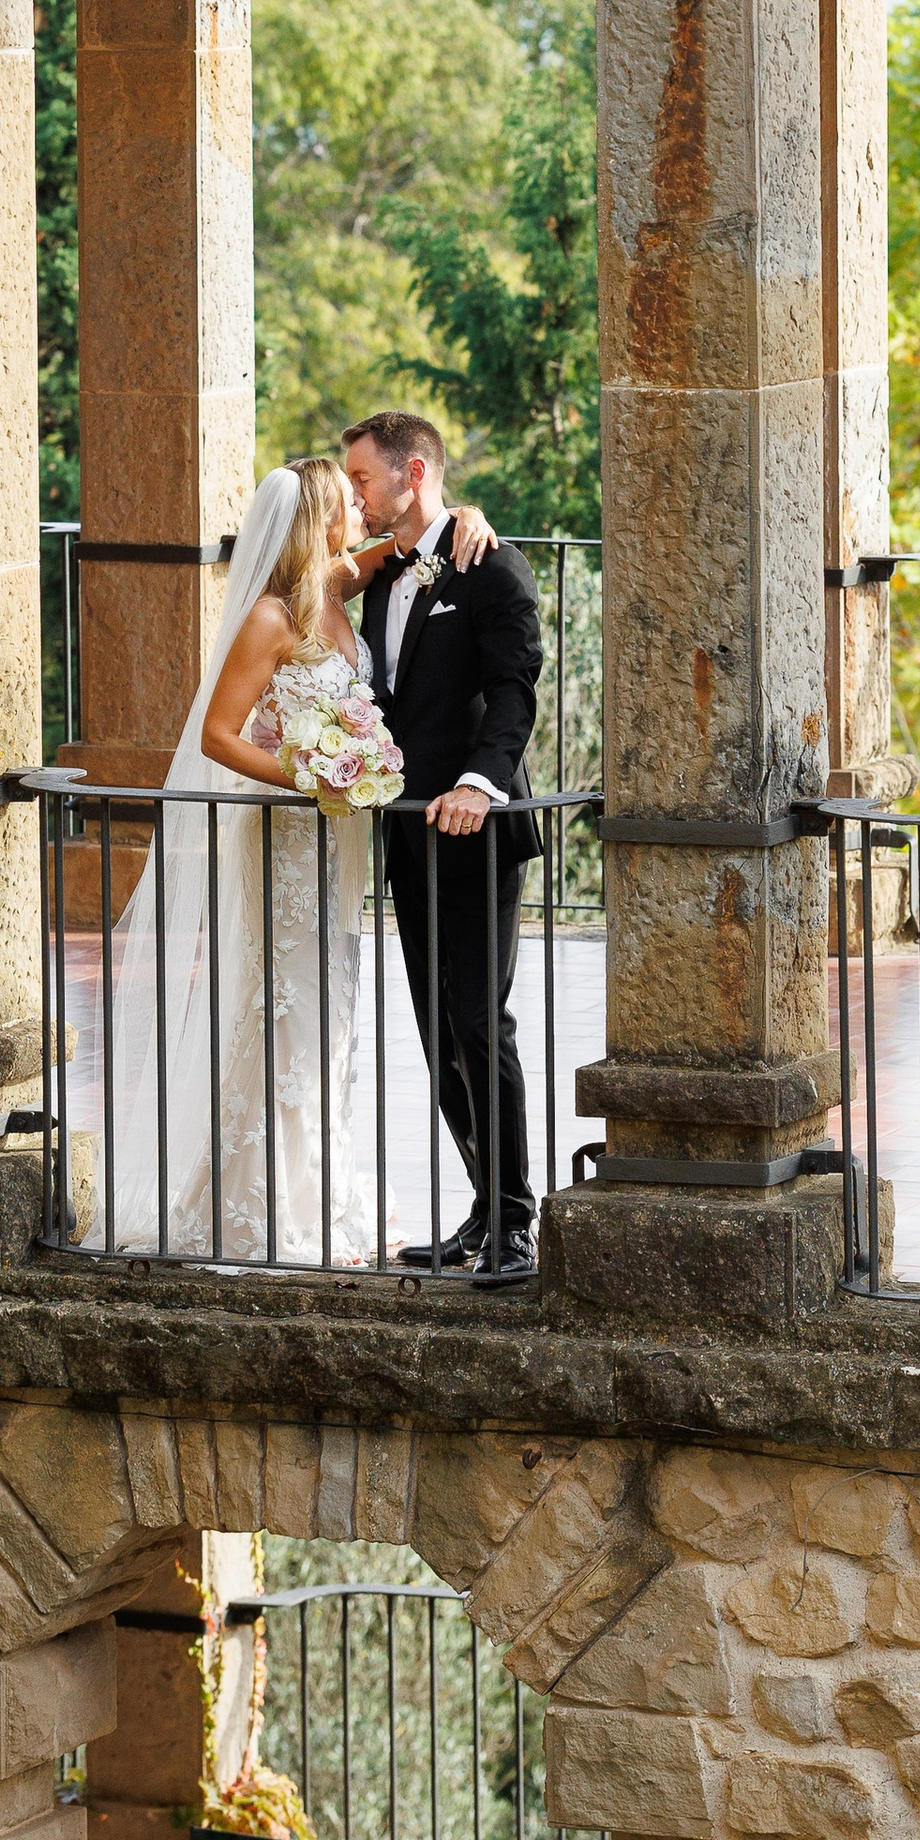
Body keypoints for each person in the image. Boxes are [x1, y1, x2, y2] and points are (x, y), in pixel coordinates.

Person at [85, 455, 497, 1267]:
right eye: (348, 499)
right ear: (318, 518)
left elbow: (421, 538)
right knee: (286, 1011)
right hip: (290, 837)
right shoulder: (271, 618)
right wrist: (309, 778)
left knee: (330, 1015)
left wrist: (472, 517)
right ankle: (262, 1211)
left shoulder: (335, 591)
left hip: (336, 844)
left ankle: (320, 1194)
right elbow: (217, 735)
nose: (362, 504)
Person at [340, 409, 545, 1286]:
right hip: (405, 828)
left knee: (475, 1020)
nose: (355, 495)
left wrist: (480, 783)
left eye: (362, 480)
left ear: (412, 472)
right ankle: (480, 1205)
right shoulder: (386, 574)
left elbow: (514, 687)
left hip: (477, 826)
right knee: (434, 1031)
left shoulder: (489, 564)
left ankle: (516, 1222)